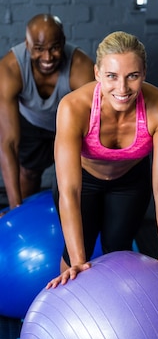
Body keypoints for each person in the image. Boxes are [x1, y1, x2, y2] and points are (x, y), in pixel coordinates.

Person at [46, 31, 158, 289]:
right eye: (111, 76)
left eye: (132, 76)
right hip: (83, 182)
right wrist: (77, 263)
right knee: (75, 256)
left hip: (129, 182)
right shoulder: (73, 107)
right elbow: (70, 191)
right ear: (97, 73)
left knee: (118, 251)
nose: (122, 88)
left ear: (144, 73)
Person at [0, 14, 94, 212]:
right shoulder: (10, 69)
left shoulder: (81, 67)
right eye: (39, 49)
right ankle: (23, 214)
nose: (47, 57)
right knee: (28, 173)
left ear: (63, 42)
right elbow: (8, 143)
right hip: (31, 124)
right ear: (27, 44)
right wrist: (15, 208)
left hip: (69, 124)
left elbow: (93, 130)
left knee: (76, 174)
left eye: (54, 48)